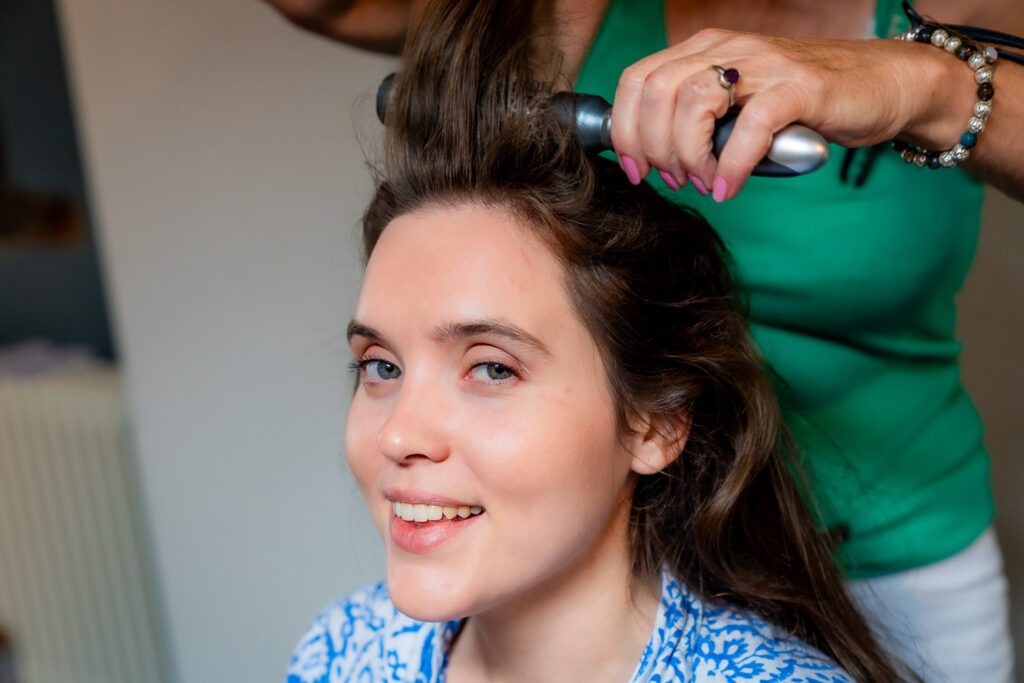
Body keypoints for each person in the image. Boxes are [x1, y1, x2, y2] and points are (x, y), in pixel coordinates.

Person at [266, 0, 1022, 679]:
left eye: (491, 367)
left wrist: (927, 84)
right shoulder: (349, 648)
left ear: (660, 420)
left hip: (895, 549)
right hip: (616, 547)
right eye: (380, 365)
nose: (399, 431)